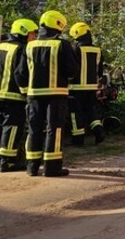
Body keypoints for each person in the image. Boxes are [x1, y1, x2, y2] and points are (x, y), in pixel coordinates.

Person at [15, 10, 78, 177]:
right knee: (54, 129)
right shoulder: (62, 45)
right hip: (56, 94)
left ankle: (32, 167)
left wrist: (25, 92)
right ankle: (52, 167)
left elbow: (20, 73)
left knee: (34, 129)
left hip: (33, 95)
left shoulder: (29, 46)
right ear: (58, 25)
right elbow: (72, 71)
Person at [0, 18, 38, 173]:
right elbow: (21, 73)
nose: (33, 37)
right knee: (12, 126)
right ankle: (7, 162)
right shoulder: (22, 49)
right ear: (23, 33)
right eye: (32, 34)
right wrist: (27, 92)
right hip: (14, 95)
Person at [67, 22, 105, 146]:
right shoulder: (97, 50)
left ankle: (78, 140)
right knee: (92, 111)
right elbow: (100, 70)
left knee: (75, 113)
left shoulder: (74, 49)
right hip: (92, 87)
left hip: (75, 88)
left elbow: (70, 68)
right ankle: (98, 131)